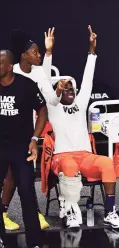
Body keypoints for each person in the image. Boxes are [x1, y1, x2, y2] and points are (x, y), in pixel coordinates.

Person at [47, 26, 119, 229]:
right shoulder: (52, 107)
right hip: (63, 157)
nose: (71, 91)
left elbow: (88, 78)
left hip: (85, 155)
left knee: (107, 163)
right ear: (58, 91)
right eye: (66, 89)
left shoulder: (80, 104)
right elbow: (46, 82)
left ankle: (110, 211)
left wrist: (92, 50)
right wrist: (48, 53)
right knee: (70, 166)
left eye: (72, 88)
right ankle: (71, 211)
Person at [3, 28, 56, 231]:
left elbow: (49, 99)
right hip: (9, 134)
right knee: (12, 176)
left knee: (23, 176)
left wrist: (49, 53)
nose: (39, 54)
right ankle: (6, 212)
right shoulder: (10, 71)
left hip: (29, 132)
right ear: (24, 55)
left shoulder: (38, 73)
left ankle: (28, 213)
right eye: (35, 51)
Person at [0, 49, 47, 248]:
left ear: (9, 66)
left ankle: (34, 242)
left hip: (22, 147)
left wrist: (35, 138)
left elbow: (43, 111)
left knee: (27, 192)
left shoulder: (26, 85)